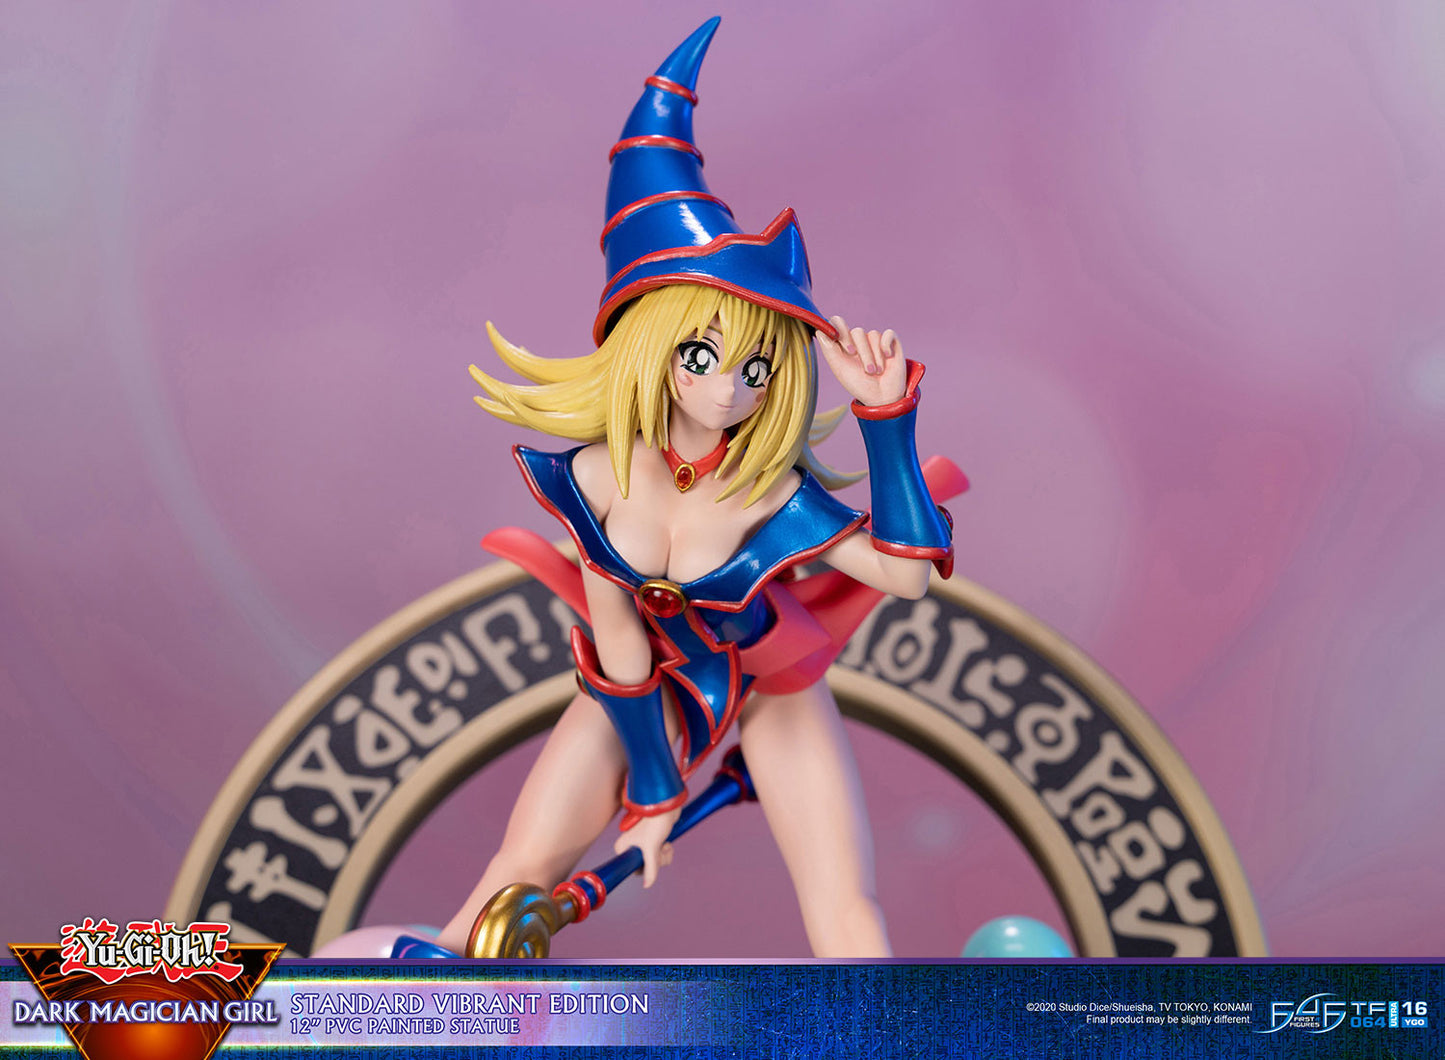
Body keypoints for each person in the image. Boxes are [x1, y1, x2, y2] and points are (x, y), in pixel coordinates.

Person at [435, 18, 963, 959]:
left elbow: (907, 576)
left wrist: (886, 416)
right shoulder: (596, 476)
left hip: (772, 681)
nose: (726, 391)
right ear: (649, 342)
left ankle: (886, 1027)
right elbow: (619, 642)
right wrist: (651, 794)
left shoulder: (764, 488)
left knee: (846, 912)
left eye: (756, 370)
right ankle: (386, 1017)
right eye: (700, 355)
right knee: (511, 877)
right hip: (642, 693)